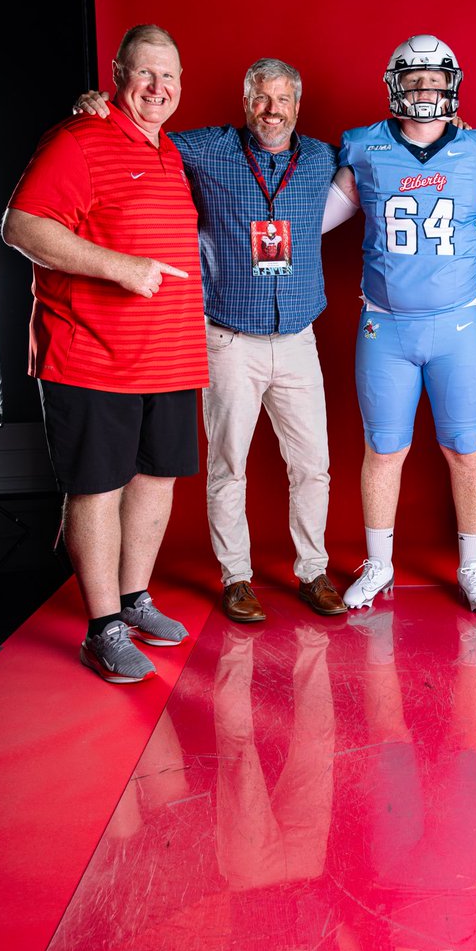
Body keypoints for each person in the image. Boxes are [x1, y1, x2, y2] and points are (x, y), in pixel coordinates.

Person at [74, 59, 346, 624]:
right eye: (260, 99)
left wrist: (454, 125)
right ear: (246, 103)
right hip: (228, 338)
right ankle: (237, 577)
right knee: (228, 464)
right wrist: (97, 110)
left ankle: (313, 570)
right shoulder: (206, 150)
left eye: (282, 100)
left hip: (298, 338)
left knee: (313, 465)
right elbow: (142, 133)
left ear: (298, 105)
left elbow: (393, 150)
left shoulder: (322, 158)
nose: (271, 111)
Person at [2, 25, 208, 683]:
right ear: (119, 73)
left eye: (169, 76)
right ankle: (102, 628)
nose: (158, 87)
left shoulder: (170, 152)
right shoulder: (78, 139)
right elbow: (21, 225)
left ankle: (133, 598)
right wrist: (118, 267)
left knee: (156, 479)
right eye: (145, 73)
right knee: (96, 487)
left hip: (168, 356)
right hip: (90, 353)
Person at [322, 35, 476, 613]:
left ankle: (473, 569)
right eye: (414, 80)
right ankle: (379, 564)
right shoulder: (365, 149)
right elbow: (312, 220)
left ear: (451, 83)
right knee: (383, 451)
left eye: (434, 80)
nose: (425, 90)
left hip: (458, 327)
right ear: (394, 85)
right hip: (386, 328)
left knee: (467, 449)